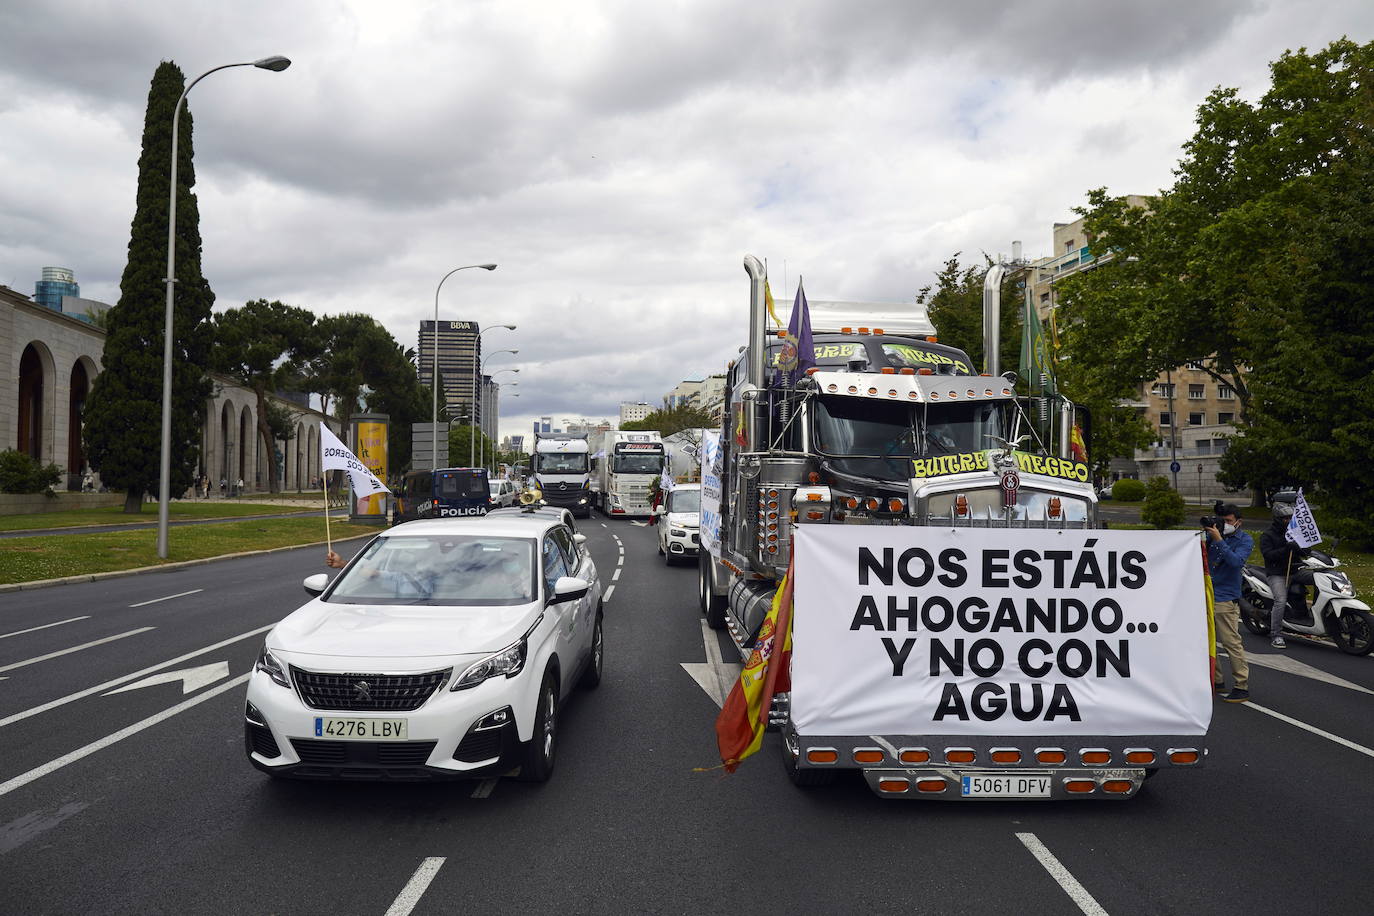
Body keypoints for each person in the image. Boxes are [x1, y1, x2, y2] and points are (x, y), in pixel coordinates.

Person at [1206, 502, 1253, 703]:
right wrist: (1210, 536)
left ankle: (1241, 685)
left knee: (1230, 642)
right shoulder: (1209, 536)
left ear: (1238, 522)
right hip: (1206, 595)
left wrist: (1219, 540)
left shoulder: (1245, 540)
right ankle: (1216, 680)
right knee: (1207, 642)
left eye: (1228, 521)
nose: (1224, 525)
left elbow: (1236, 563)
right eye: (1221, 521)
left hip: (1226, 597)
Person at [1260, 491, 1313, 649]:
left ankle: (1311, 618)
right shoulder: (1267, 536)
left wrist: (1303, 547)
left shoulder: (1294, 532)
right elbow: (1269, 556)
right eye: (1285, 518)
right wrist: (1286, 548)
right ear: (1277, 520)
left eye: (1290, 518)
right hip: (1277, 573)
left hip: (1295, 570)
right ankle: (1276, 634)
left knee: (1319, 579)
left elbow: (1307, 551)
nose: (1288, 521)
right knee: (1280, 601)